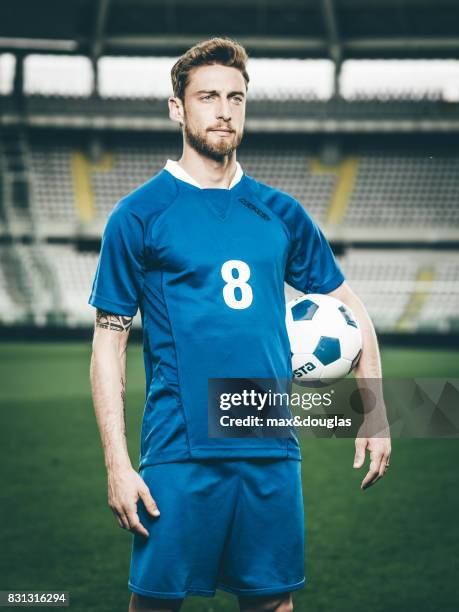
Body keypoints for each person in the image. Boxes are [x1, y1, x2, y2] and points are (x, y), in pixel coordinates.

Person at [88, 36, 391, 612]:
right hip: (179, 450)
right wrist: (117, 464)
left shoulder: (280, 211)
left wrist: (373, 411)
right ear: (178, 108)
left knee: (273, 603)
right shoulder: (138, 215)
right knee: (154, 603)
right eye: (207, 96)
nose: (224, 109)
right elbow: (108, 345)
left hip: (272, 445)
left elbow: (352, 310)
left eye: (236, 97)